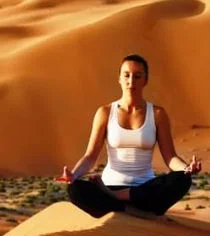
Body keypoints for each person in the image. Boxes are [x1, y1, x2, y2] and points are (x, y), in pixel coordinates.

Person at [55, 54, 202, 218]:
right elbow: (90, 156)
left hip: (145, 188)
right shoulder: (105, 113)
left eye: (137, 76)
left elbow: (170, 157)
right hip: (110, 186)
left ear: (145, 80)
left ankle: (119, 203)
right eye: (126, 75)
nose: (131, 81)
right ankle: (127, 207)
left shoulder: (157, 114)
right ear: (119, 78)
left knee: (182, 180)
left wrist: (186, 169)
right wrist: (73, 175)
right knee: (75, 189)